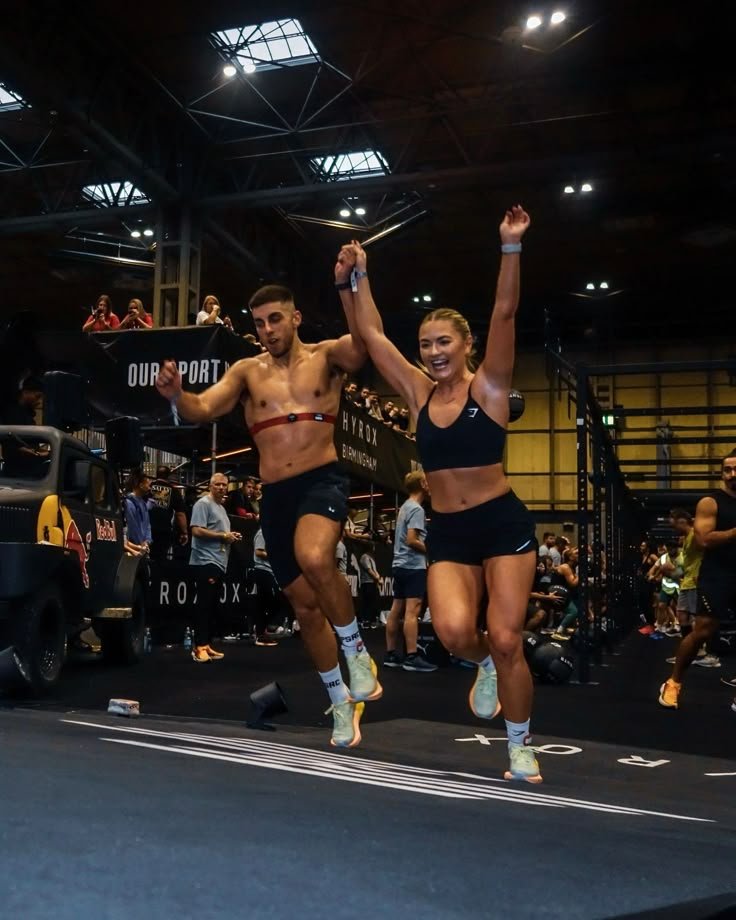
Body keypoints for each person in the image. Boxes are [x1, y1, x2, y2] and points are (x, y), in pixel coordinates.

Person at [345, 205, 542, 783]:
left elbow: (506, 311)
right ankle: (482, 665)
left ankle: (520, 745)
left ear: (466, 344)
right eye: (426, 343)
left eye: (443, 343)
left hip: (502, 526)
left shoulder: (492, 386)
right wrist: (359, 276)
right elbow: (373, 335)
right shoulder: (417, 393)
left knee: (508, 637)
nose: (433, 352)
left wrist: (510, 246)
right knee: (457, 633)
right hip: (449, 532)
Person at [155, 269, 381, 748]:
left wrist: (351, 285)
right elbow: (204, 407)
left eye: (275, 319)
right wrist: (177, 395)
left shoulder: (327, 356)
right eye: (259, 323)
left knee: (317, 557)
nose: (267, 330)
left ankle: (358, 653)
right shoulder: (246, 371)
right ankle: (341, 700)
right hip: (275, 494)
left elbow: (366, 343)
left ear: (295, 318)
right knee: (303, 607)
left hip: (322, 480)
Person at [659, 452, 736, 709]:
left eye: (735, 469)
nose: (732, 474)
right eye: (727, 470)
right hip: (717, 574)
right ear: (722, 474)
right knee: (703, 630)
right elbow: (704, 539)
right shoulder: (711, 503)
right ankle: (673, 683)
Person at [383, 471, 437, 673]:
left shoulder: (405, 507)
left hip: (399, 565)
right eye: (428, 482)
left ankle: (391, 654)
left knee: (396, 608)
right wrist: (433, 551)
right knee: (412, 611)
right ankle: (412, 656)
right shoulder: (417, 509)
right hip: (412, 566)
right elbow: (412, 540)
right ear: (423, 483)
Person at [189, 472, 242, 662]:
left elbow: (221, 533)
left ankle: (206, 644)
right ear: (210, 486)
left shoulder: (220, 508)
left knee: (212, 606)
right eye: (218, 484)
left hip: (219, 562)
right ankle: (198, 647)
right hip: (205, 561)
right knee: (203, 606)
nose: (221, 487)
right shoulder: (203, 504)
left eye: (224, 485)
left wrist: (230, 535)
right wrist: (222, 536)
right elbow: (196, 530)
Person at [148, 465, 189, 562]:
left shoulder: (148, 487)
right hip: (163, 530)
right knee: (159, 558)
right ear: (169, 476)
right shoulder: (174, 491)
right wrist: (184, 532)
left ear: (156, 474)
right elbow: (180, 514)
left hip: (146, 529)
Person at [251, 528, 285, 645]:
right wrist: (275, 556)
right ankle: (260, 630)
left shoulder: (272, 534)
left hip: (270, 571)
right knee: (273, 601)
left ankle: (261, 631)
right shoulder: (262, 533)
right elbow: (258, 552)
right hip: (262, 570)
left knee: (267, 602)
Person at [123, 470, 152, 555]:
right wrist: (140, 544)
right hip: (133, 548)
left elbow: (147, 525)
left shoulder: (142, 503)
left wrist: (147, 541)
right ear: (141, 485)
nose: (149, 488)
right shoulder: (128, 503)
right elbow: (132, 527)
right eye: (147, 484)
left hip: (141, 547)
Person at [358, 541, 382, 628]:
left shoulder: (371, 558)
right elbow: (369, 570)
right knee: (367, 603)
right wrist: (376, 578)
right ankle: (366, 621)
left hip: (373, 583)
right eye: (373, 547)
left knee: (373, 603)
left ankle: (372, 621)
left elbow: (374, 570)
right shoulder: (364, 557)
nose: (375, 549)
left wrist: (378, 577)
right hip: (367, 583)